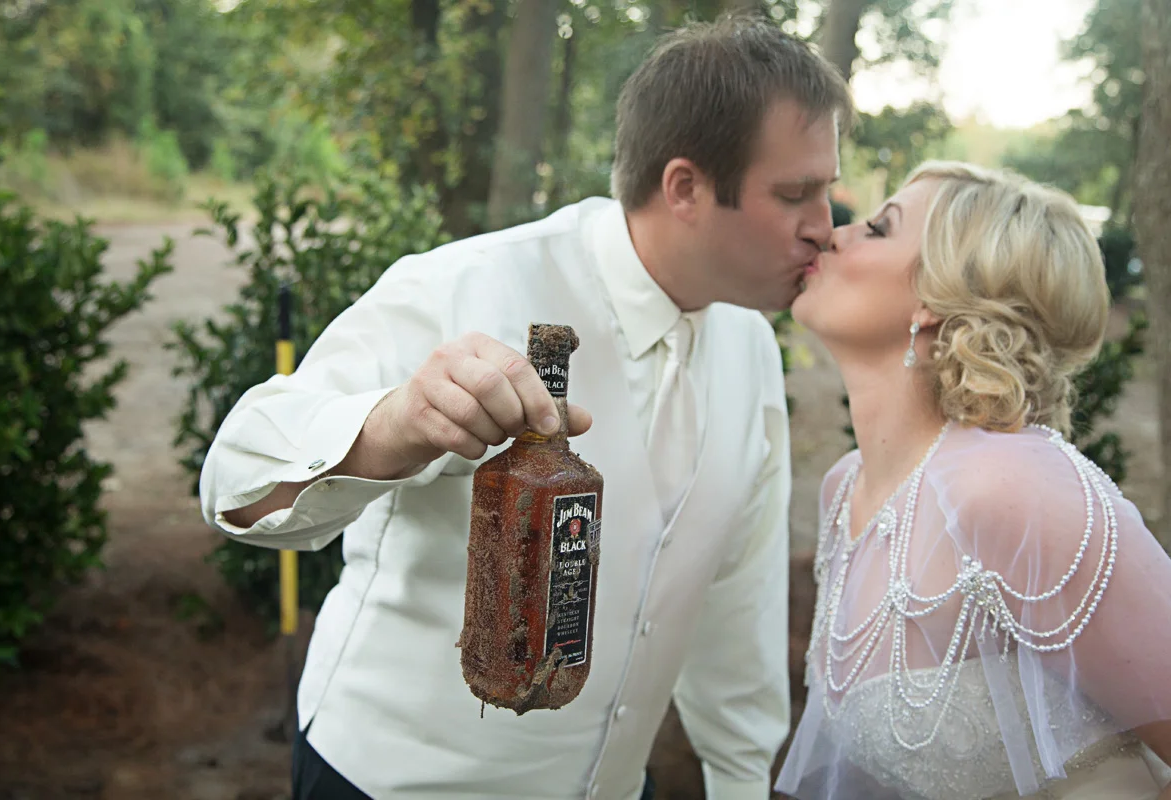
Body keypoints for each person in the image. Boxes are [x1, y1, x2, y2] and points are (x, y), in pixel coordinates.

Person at [199, 15, 853, 800]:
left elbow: (736, 596)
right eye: (795, 194)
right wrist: (395, 426)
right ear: (684, 187)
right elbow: (234, 479)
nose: (825, 228)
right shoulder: (466, 286)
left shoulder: (750, 348)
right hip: (390, 784)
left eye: (827, 190)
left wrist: (740, 780)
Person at [774, 160, 1171, 800]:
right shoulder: (845, 489)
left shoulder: (1007, 487)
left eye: (877, 229)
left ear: (935, 298)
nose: (835, 234)